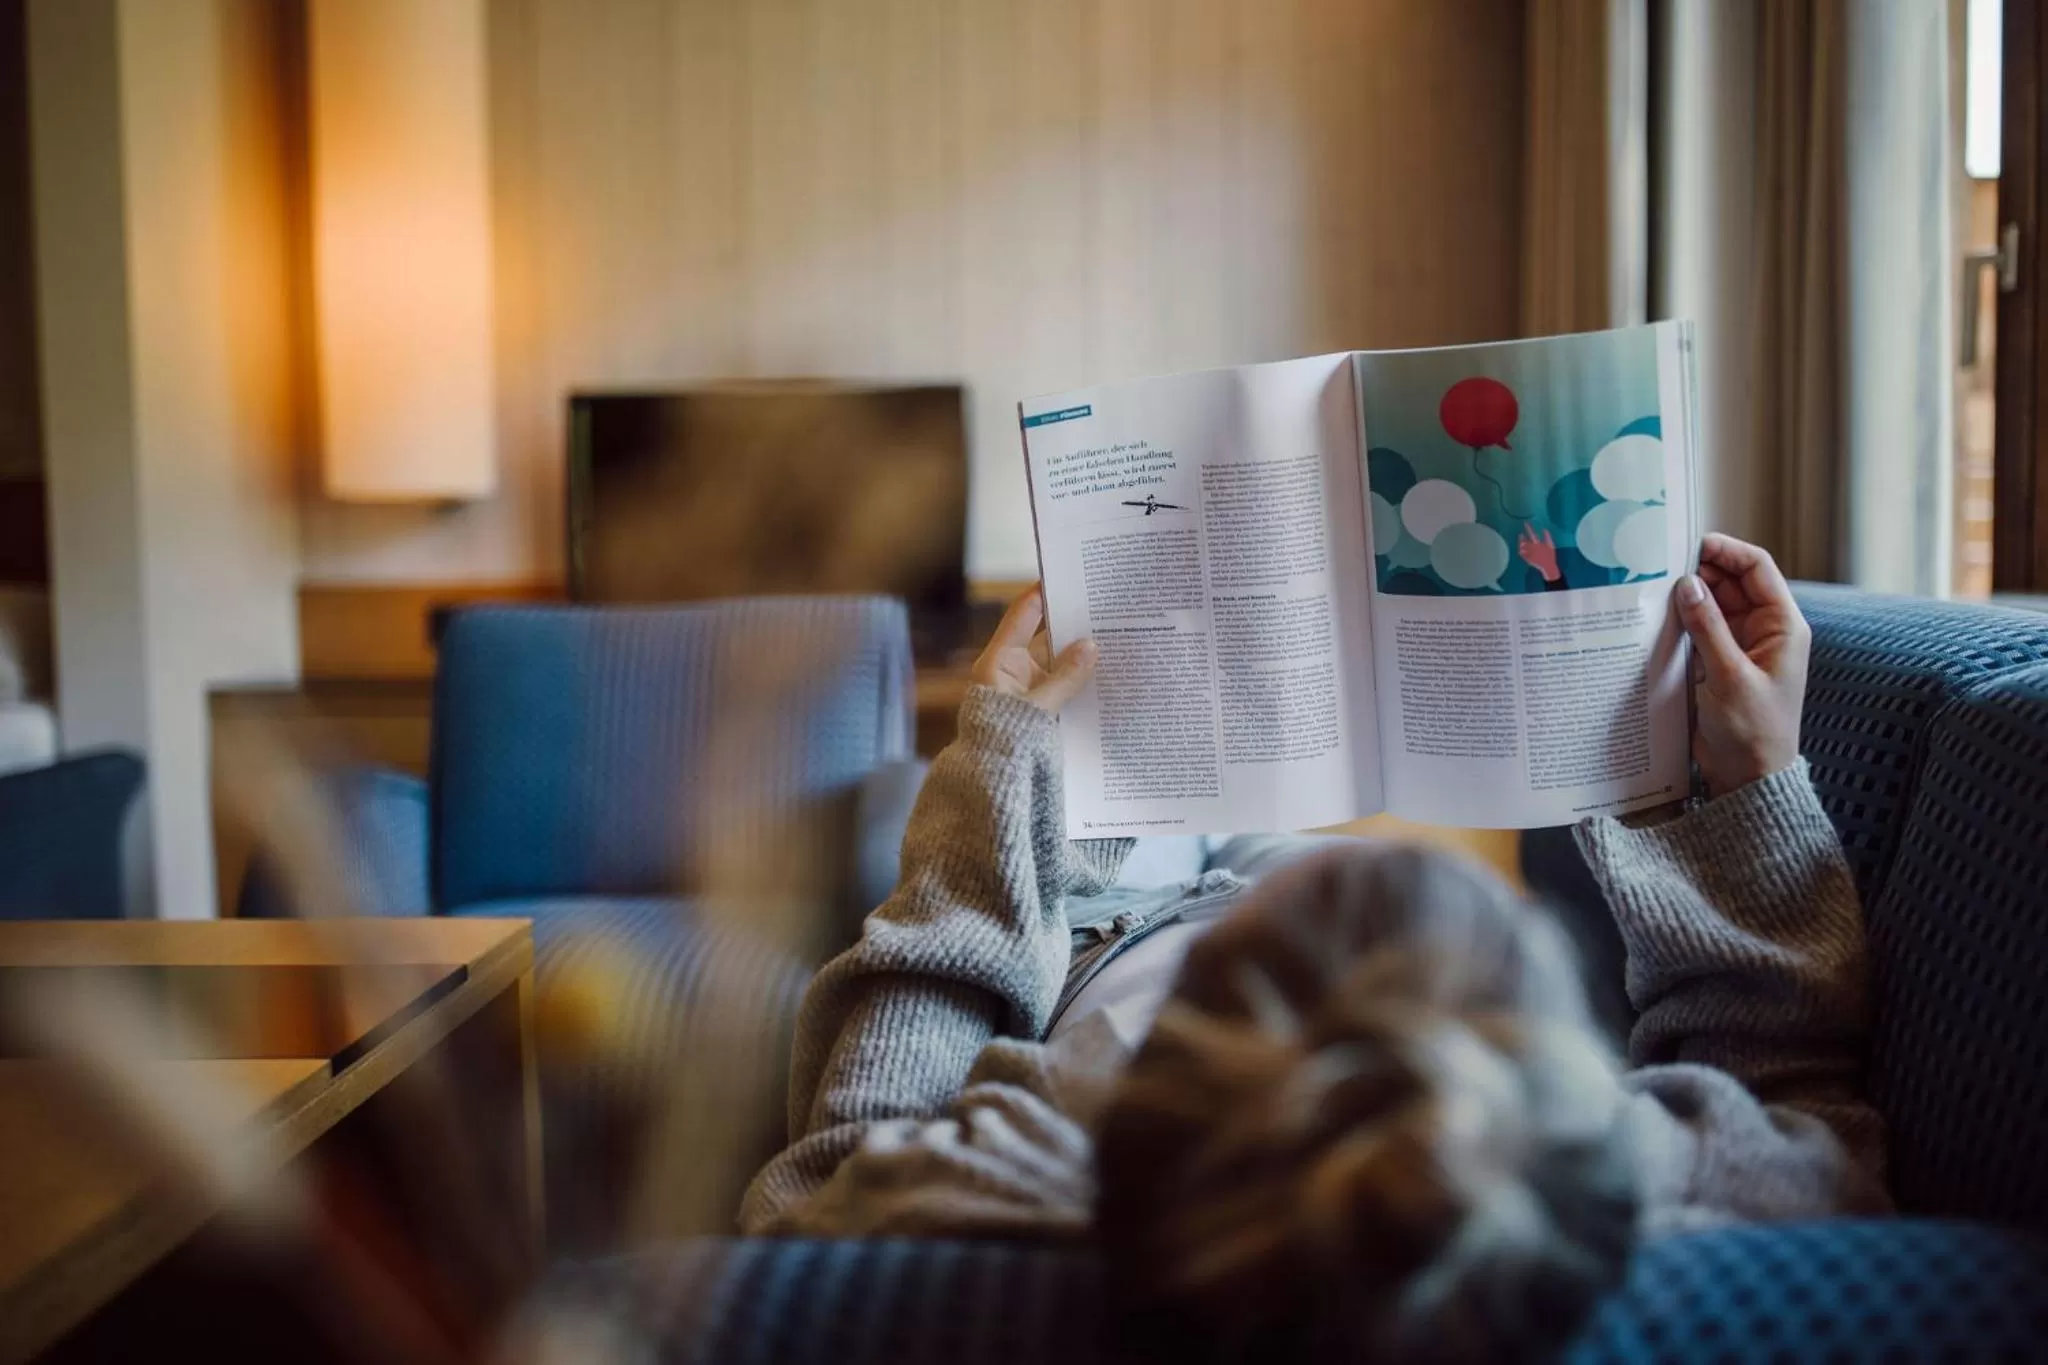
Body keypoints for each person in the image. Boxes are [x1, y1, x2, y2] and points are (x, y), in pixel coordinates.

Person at [739, 533, 1889, 1363]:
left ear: (1199, 1034)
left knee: (1056, 784)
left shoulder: (1057, 1149)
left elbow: (836, 1173)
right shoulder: (1561, 1171)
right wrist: (1748, 781)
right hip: (1236, 947)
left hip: (1102, 939)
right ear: (1550, 1057)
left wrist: (988, 769)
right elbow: (1797, 1107)